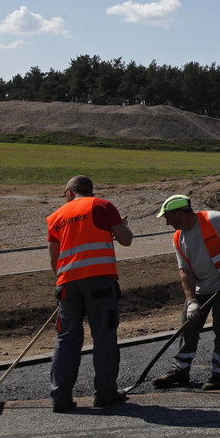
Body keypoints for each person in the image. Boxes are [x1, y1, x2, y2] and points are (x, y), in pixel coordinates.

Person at [46, 175, 133, 413]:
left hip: (67, 285)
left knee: (66, 339)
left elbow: (54, 258)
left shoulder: (55, 217)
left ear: (69, 192)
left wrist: (62, 283)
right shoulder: (102, 206)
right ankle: (105, 393)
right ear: (89, 191)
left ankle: (60, 397)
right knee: (104, 337)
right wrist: (121, 226)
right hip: (100, 282)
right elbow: (126, 240)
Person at [152, 195, 220, 391]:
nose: (166, 222)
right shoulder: (178, 237)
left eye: (168, 217)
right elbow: (185, 271)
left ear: (179, 214)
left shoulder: (214, 220)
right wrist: (191, 301)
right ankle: (180, 371)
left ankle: (219, 375)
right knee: (188, 325)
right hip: (201, 289)